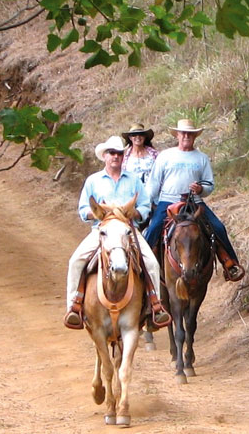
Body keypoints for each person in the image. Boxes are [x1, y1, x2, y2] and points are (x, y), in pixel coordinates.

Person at [64, 134, 171, 330]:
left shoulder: (134, 181)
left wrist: (135, 212)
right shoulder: (93, 181)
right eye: (112, 153)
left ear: (124, 156)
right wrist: (97, 213)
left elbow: (145, 205)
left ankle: (155, 306)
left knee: (151, 263)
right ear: (104, 156)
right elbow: (82, 210)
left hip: (128, 230)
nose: (116, 157)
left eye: (120, 154)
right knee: (76, 260)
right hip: (101, 231)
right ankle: (74, 306)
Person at [143, 119, 246, 282]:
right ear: (177, 135)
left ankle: (230, 263)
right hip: (168, 201)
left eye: (190, 134)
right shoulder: (165, 156)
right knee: (154, 227)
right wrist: (146, 203)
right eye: (183, 133)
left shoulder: (202, 158)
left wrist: (201, 190)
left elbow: (209, 185)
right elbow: (154, 183)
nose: (186, 136)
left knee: (218, 227)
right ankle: (143, 267)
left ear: (194, 136)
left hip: (195, 202)